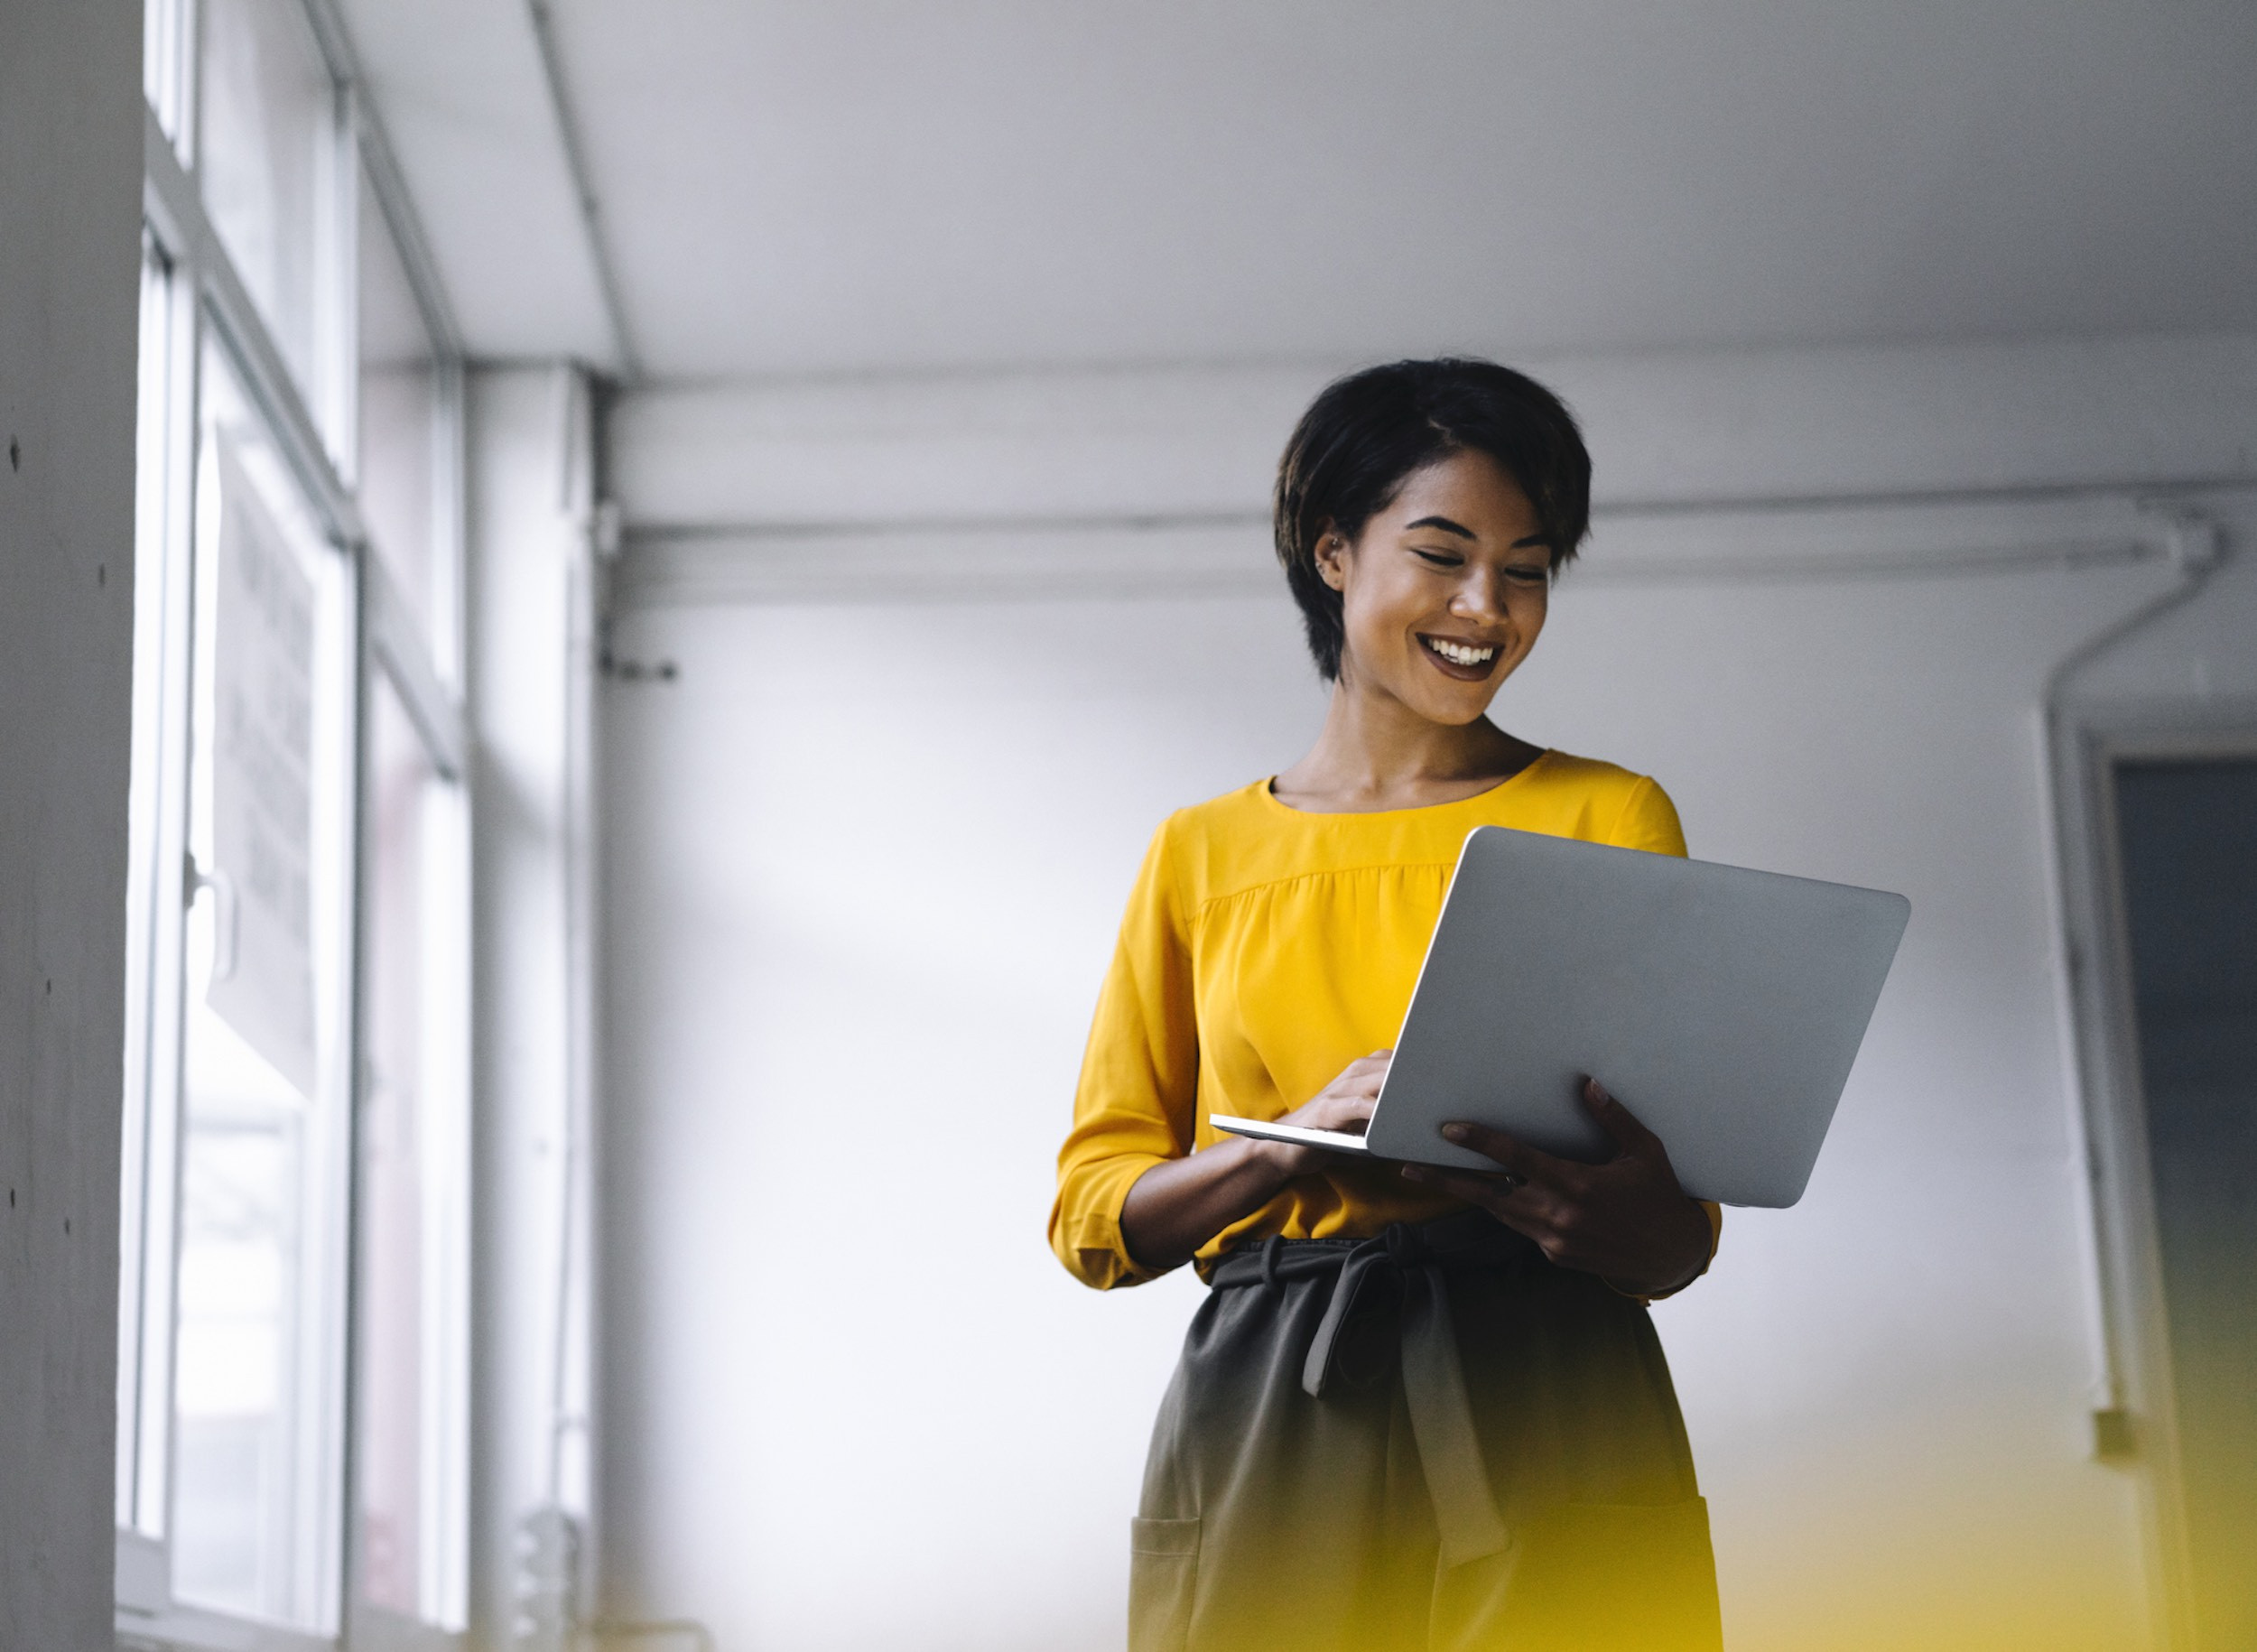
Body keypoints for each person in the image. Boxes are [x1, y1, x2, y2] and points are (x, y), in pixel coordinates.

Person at [1049, 358, 1726, 1652]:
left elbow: (1679, 1242)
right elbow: (1094, 1215)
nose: (1489, 606)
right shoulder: (1201, 854)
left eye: (1527, 568)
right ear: (1334, 553)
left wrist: (1622, 1214)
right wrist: (1287, 1138)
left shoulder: (1611, 816)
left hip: (1556, 1377)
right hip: (1281, 1389)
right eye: (1443, 553)